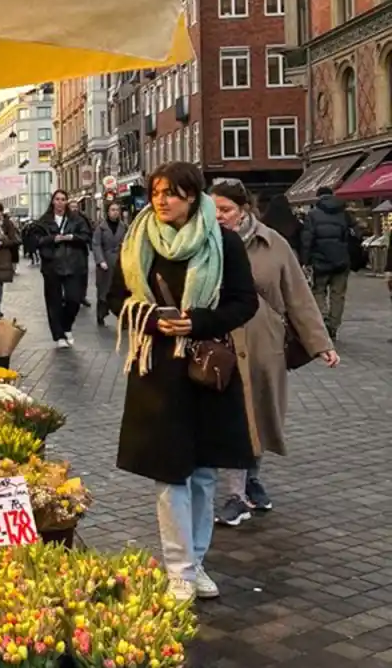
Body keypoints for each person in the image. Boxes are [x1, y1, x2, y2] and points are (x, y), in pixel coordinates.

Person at [107, 161, 258, 602]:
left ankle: (197, 562)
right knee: (170, 474)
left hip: (204, 369)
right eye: (156, 191)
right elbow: (117, 297)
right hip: (156, 371)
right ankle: (179, 569)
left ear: (192, 196)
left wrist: (197, 321)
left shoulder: (223, 242)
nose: (161, 200)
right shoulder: (138, 241)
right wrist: (152, 319)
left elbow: (243, 302)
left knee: (204, 473)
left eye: (171, 192)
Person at [207, 181, 337, 526]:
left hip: (265, 345)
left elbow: (298, 296)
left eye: (226, 210)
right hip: (220, 346)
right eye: (213, 209)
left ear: (243, 209)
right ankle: (236, 495)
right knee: (235, 417)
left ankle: (250, 479)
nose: (218, 217)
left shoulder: (273, 243)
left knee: (261, 413)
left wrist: (321, 344)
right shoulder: (202, 243)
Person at [35, 190, 93, 348]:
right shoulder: (44, 221)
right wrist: (53, 238)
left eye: (63, 199)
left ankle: (66, 326)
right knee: (53, 301)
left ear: (67, 202)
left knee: (73, 299)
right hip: (52, 265)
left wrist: (73, 237)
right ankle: (58, 335)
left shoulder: (76, 220)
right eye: (57, 199)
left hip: (73, 264)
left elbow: (87, 236)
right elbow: (36, 240)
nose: (60, 202)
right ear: (53, 202)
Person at [300, 187, 353, 339]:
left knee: (319, 292)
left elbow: (307, 240)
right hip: (341, 260)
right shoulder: (344, 213)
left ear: (318, 198)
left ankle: (323, 323)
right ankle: (334, 325)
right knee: (338, 295)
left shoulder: (313, 215)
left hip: (320, 260)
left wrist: (305, 260)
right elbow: (354, 234)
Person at [92, 202, 127, 326]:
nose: (115, 212)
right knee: (104, 290)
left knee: (120, 290)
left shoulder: (124, 226)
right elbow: (96, 244)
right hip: (105, 263)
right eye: (112, 209)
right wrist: (100, 260)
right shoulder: (100, 227)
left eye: (117, 209)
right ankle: (101, 314)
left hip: (120, 262)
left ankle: (122, 317)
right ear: (108, 212)